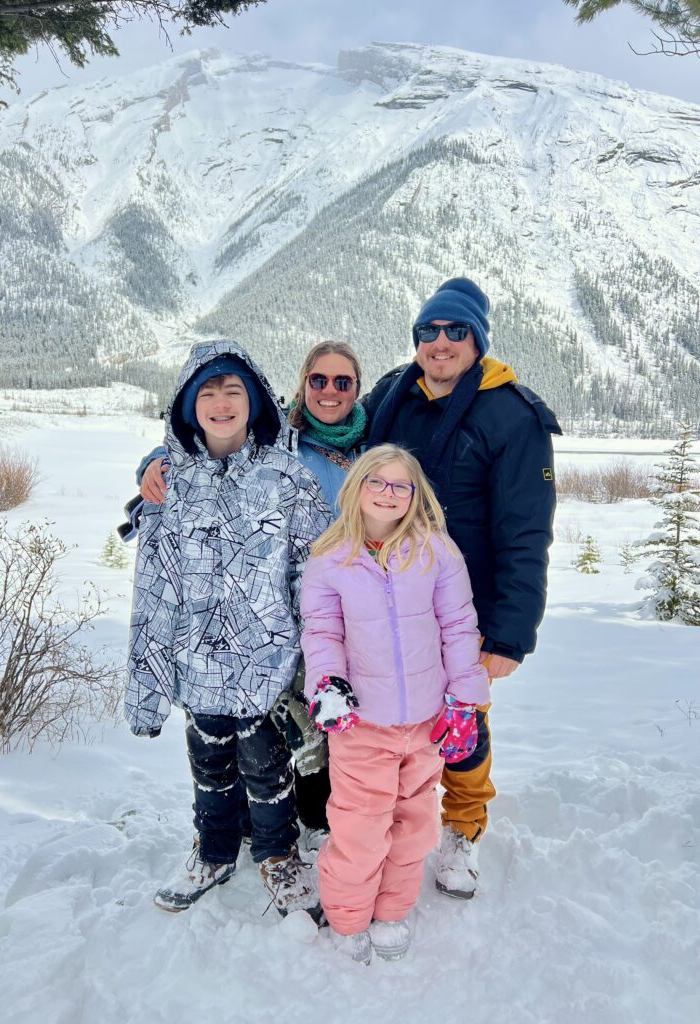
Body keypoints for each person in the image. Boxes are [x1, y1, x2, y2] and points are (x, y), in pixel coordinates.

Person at [364, 277, 561, 900]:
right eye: (429, 331)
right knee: (394, 719)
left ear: (477, 339)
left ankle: (463, 827)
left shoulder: (511, 412)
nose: (441, 343)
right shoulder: (394, 394)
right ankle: (397, 817)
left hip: (462, 609)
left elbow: (526, 532)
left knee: (462, 721)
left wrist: (509, 632)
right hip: (386, 599)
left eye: (456, 332)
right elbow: (318, 432)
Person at [126, 339, 331, 919]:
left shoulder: (287, 479)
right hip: (196, 663)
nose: (220, 402)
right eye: (207, 392)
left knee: (268, 768)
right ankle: (213, 852)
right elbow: (154, 589)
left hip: (265, 667)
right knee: (208, 763)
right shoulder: (169, 485)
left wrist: (318, 666)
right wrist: (147, 687)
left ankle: (279, 856)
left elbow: (311, 576)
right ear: (189, 406)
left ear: (255, 400)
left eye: (233, 390)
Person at [300, 444, 490, 963]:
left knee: (414, 826)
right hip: (361, 724)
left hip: (428, 722)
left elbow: (458, 628)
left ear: (415, 495)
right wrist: (327, 683)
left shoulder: (438, 553)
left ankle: (391, 911)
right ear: (357, 487)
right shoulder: (329, 557)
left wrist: (465, 701)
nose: (388, 493)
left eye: (399, 485)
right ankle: (348, 917)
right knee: (360, 828)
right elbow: (320, 631)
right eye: (377, 482)